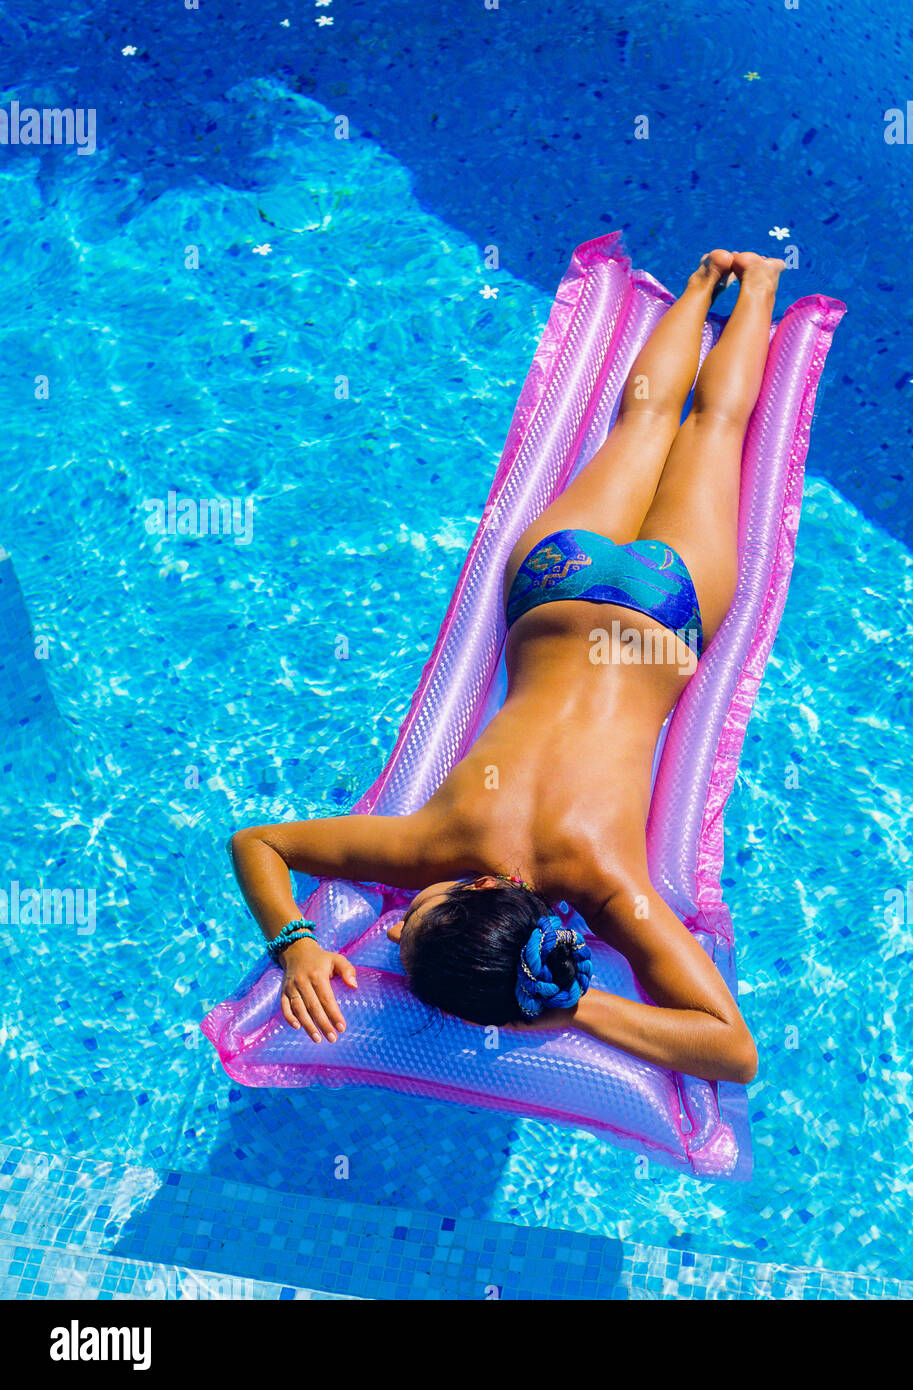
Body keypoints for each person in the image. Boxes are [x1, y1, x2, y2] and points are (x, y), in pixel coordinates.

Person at [228, 249, 786, 1083]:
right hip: (553, 583)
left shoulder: (602, 881)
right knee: (643, 424)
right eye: (412, 921)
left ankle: (759, 284)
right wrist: (293, 946)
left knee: (715, 432)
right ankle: (707, 279)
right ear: (483, 885)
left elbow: (732, 1051)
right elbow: (257, 842)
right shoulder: (429, 845)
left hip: (665, 613)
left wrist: (573, 1003)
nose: (386, 925)